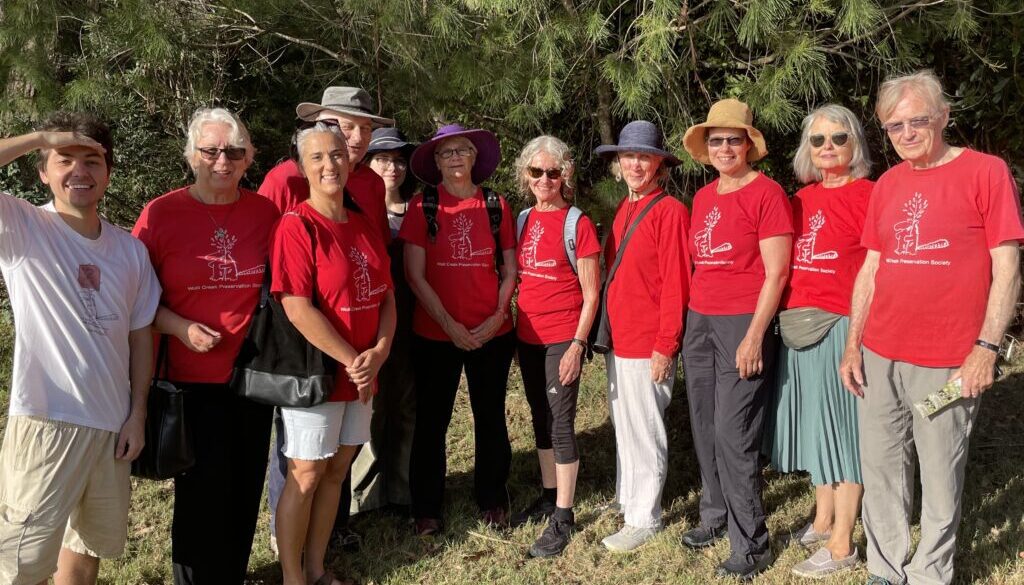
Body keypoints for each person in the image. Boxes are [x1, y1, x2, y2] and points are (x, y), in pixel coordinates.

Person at [839, 70, 1023, 585]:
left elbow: (1007, 268)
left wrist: (985, 348)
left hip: (947, 359)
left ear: (943, 116)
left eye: (917, 120)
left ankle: (929, 575)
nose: (906, 133)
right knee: (881, 466)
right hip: (879, 355)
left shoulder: (986, 172)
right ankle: (885, 569)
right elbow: (871, 268)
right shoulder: (888, 185)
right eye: (894, 126)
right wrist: (854, 345)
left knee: (941, 475)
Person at [0, 112, 160, 584]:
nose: (79, 171)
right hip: (47, 422)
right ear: (43, 170)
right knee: (20, 564)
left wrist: (137, 413)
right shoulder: (23, 227)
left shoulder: (130, 251)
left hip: (111, 428)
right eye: (64, 158)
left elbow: (140, 335)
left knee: (86, 550)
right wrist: (39, 137)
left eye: (92, 160)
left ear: (108, 171)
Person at [132, 107, 281, 584]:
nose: (223, 161)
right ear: (191, 156)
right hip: (188, 381)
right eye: (211, 150)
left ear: (248, 159)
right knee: (201, 492)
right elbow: (131, 302)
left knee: (244, 487)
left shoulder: (264, 212)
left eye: (234, 152)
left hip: (252, 374)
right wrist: (178, 327)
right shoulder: (161, 214)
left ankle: (232, 575)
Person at [262, 85, 394, 553]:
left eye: (339, 152)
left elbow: (382, 286)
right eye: (320, 155)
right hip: (311, 362)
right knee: (303, 467)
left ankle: (320, 554)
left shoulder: (366, 200)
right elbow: (289, 296)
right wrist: (351, 357)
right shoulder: (289, 199)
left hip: (361, 363)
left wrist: (376, 352)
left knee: (336, 466)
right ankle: (290, 558)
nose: (333, 161)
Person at [680, 99, 793, 579]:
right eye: (717, 139)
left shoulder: (767, 193)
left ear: (749, 144)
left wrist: (753, 336)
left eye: (734, 139)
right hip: (699, 320)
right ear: (706, 149)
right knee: (704, 425)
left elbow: (777, 272)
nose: (725, 147)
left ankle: (752, 544)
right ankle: (715, 516)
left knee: (734, 432)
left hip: (742, 321)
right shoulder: (704, 197)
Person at [762, 104, 873, 579]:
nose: (828, 147)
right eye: (818, 140)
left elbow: (877, 272)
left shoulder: (870, 193)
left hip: (838, 328)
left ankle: (843, 540)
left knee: (843, 435)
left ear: (856, 145)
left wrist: (857, 338)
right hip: (796, 327)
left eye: (838, 138)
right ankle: (823, 515)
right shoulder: (798, 199)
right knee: (813, 429)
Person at [400, 123, 517, 536]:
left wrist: (498, 315)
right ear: (435, 161)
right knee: (432, 422)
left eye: (462, 150)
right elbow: (415, 275)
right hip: (435, 335)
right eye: (446, 152)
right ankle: (427, 508)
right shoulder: (422, 206)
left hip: (491, 333)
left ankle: (492, 497)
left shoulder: (494, 204)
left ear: (474, 158)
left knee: (490, 417)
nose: (454, 158)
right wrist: (449, 325)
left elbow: (509, 267)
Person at [592, 121, 691, 552]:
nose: (635, 164)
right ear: (618, 164)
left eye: (644, 157)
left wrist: (665, 345)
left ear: (659, 166)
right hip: (622, 339)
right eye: (628, 156)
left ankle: (645, 516)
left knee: (646, 428)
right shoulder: (624, 210)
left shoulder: (670, 211)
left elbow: (676, 284)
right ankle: (627, 499)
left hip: (648, 340)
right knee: (624, 425)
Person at [510, 135, 600, 557]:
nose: (545, 179)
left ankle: (563, 516)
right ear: (526, 176)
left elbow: (592, 292)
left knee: (561, 425)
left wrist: (578, 345)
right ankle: (549, 495)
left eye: (553, 172)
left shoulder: (576, 223)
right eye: (536, 172)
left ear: (566, 174)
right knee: (540, 418)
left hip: (562, 338)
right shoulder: (523, 219)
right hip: (527, 339)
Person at [347, 127, 419, 514]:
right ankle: (363, 493)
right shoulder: (356, 210)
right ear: (367, 164)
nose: (391, 167)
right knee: (368, 411)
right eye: (382, 159)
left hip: (411, 326)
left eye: (397, 159)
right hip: (367, 327)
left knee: (406, 407)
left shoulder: (419, 212)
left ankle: (402, 489)